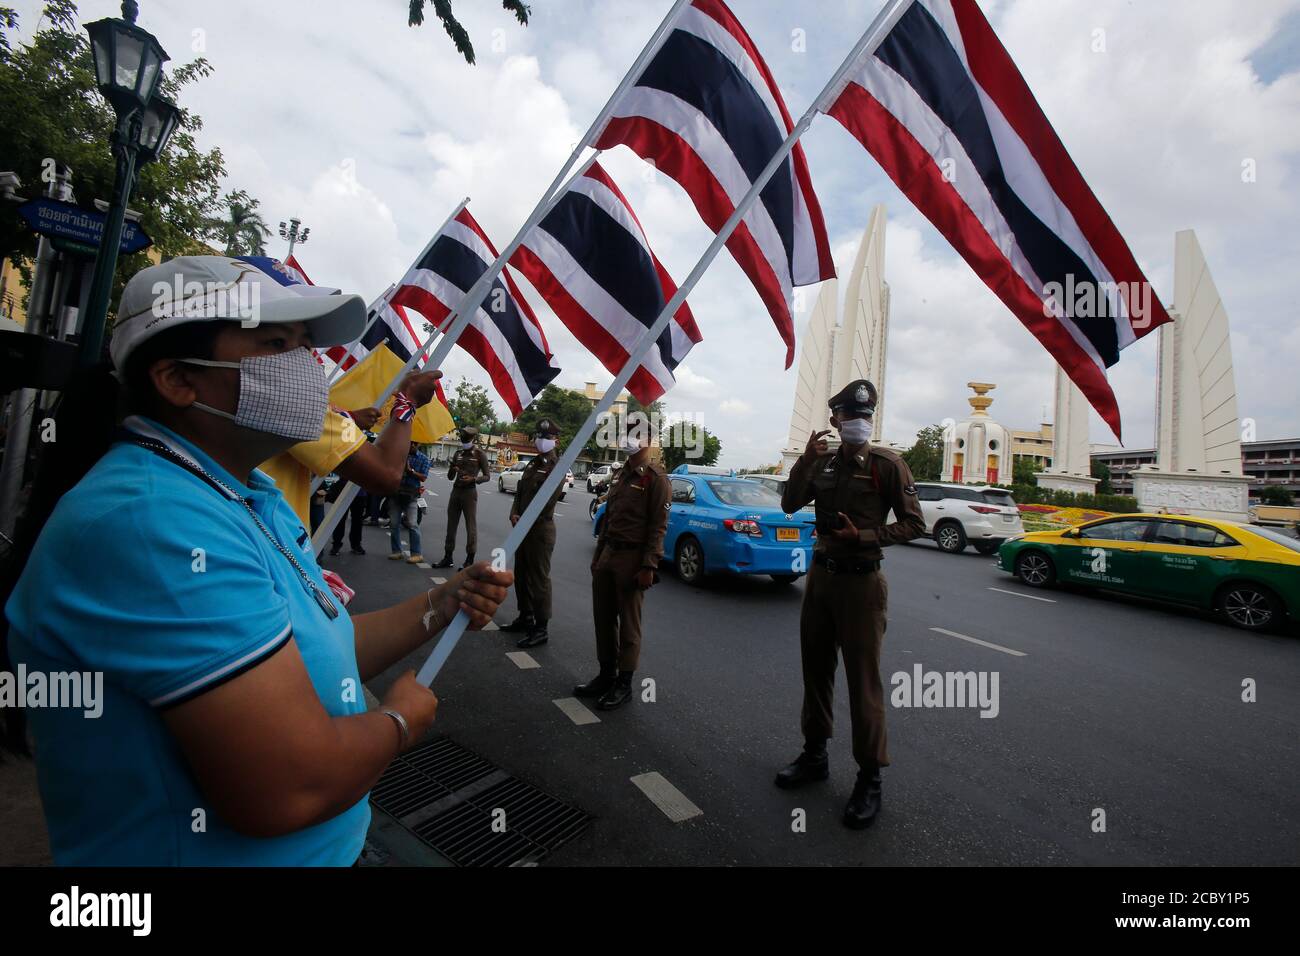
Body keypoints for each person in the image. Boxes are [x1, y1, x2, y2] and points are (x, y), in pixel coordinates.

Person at [0, 256, 513, 865]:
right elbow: (289, 786)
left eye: (304, 347)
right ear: (176, 380)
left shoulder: (245, 494)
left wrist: (440, 602)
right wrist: (398, 722)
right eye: (276, 344)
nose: (307, 366)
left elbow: (320, 647)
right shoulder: (153, 522)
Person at [776, 379, 924, 830]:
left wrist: (862, 537)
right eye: (849, 416)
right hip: (821, 578)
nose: (858, 423)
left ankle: (869, 777)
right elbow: (788, 504)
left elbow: (915, 524)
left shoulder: (888, 464)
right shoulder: (822, 463)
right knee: (816, 672)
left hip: (862, 585)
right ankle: (815, 754)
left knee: (863, 684)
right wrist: (804, 460)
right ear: (836, 420)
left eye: (865, 416)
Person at [574, 431, 669, 710]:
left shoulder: (655, 478)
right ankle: (606, 675)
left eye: (636, 433)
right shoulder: (621, 474)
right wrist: (598, 554)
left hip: (632, 558)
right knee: (603, 619)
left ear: (648, 439)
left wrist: (649, 565)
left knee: (629, 626)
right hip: (609, 554)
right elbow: (610, 517)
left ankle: (624, 684)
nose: (628, 438)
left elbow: (658, 526)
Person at [502, 419, 565, 648]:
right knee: (522, 573)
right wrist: (514, 512)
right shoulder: (532, 464)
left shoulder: (557, 467)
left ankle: (541, 627)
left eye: (547, 438)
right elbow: (519, 493)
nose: (542, 441)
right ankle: (524, 616)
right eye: (540, 436)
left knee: (539, 579)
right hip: (523, 527)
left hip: (540, 530)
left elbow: (548, 500)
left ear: (555, 441)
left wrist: (525, 518)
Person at [434, 425, 490, 569]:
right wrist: (452, 469)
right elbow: (449, 477)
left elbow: (487, 476)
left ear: (472, 439)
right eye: (462, 438)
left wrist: (473, 479)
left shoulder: (479, 454)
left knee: (470, 527)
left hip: (469, 493)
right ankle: (448, 557)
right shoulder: (458, 454)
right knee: (451, 526)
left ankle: (469, 559)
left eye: (466, 438)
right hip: (456, 491)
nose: (464, 440)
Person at [388, 442, 430, 563]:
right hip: (396, 493)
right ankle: (396, 551)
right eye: (410, 443)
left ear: (419, 445)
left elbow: (423, 477)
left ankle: (416, 553)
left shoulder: (423, 459)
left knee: (412, 524)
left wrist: (410, 471)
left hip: (412, 495)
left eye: (415, 444)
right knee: (394, 523)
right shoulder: (399, 455)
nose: (412, 446)